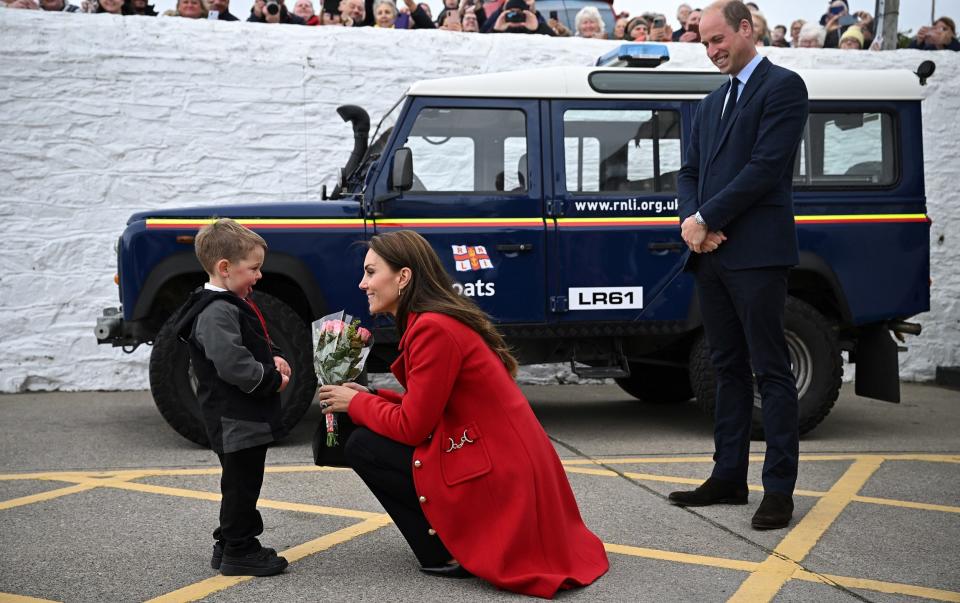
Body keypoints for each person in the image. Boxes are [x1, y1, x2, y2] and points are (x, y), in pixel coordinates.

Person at [317, 230, 609, 598]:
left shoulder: (432, 328)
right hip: (503, 459)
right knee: (363, 433)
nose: (363, 284)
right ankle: (446, 538)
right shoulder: (433, 320)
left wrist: (357, 404)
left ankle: (442, 552)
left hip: (498, 470)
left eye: (371, 272)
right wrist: (372, 395)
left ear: (403, 277)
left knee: (361, 444)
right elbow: (430, 405)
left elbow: (412, 427)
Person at [673, 0, 808, 531]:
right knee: (725, 368)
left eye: (718, 39)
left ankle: (778, 491)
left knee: (771, 371)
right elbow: (688, 172)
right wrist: (693, 221)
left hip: (758, 255)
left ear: (745, 29)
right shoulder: (709, 105)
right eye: (704, 43)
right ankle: (728, 476)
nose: (712, 51)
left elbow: (766, 168)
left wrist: (706, 217)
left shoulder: (783, 87)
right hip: (712, 255)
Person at [173, 218, 291, 576]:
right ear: (225, 268)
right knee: (242, 483)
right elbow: (233, 363)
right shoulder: (216, 310)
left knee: (239, 481)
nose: (258, 276)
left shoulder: (225, 302)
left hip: (239, 417)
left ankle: (228, 542)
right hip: (235, 417)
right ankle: (240, 549)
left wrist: (271, 353)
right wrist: (270, 380)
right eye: (253, 268)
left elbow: (246, 339)